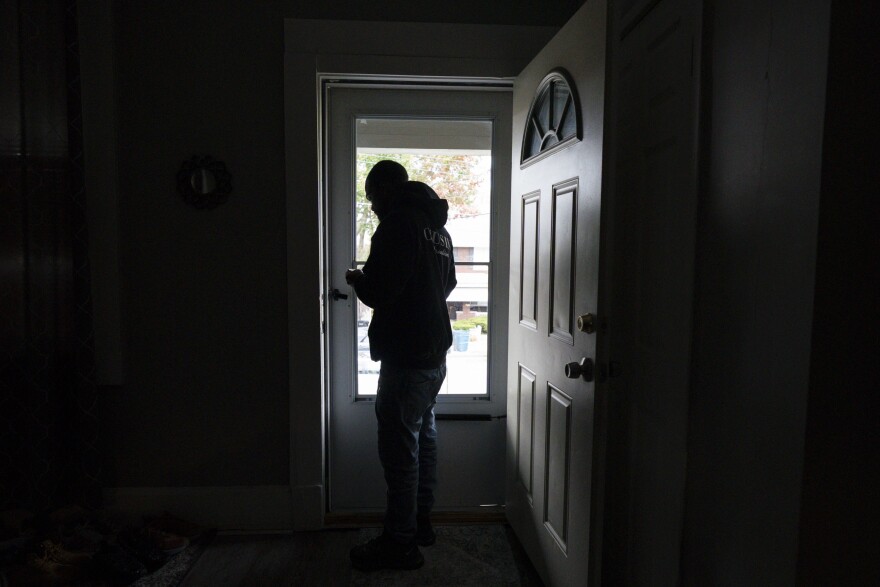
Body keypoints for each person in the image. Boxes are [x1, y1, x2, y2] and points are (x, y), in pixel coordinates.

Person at [346, 160, 457, 571]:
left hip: (407, 357)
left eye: (374, 198)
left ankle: (400, 543)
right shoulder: (438, 230)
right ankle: (420, 524)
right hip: (434, 355)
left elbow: (380, 291)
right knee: (423, 441)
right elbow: (448, 285)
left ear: (389, 189)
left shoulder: (397, 224)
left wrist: (357, 279)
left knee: (399, 452)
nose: (373, 208)